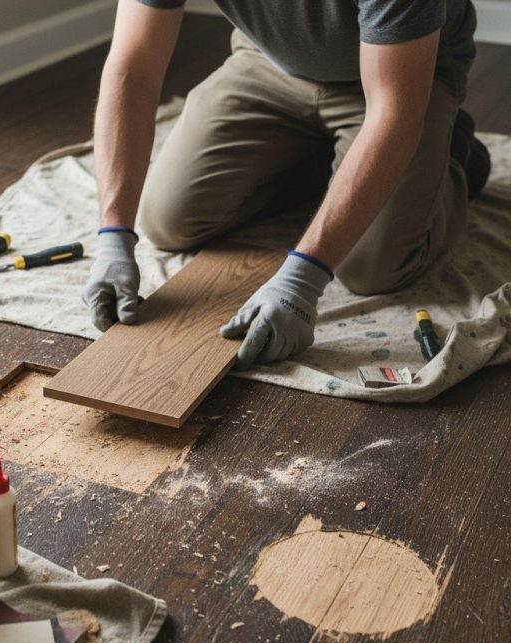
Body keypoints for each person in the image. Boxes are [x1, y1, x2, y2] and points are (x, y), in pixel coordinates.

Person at [81, 0, 490, 369]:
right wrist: (114, 235)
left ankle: (453, 154)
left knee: (370, 267)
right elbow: (132, 72)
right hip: (269, 63)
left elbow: (393, 114)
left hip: (399, 76)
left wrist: (303, 277)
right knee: (167, 220)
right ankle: (328, 160)